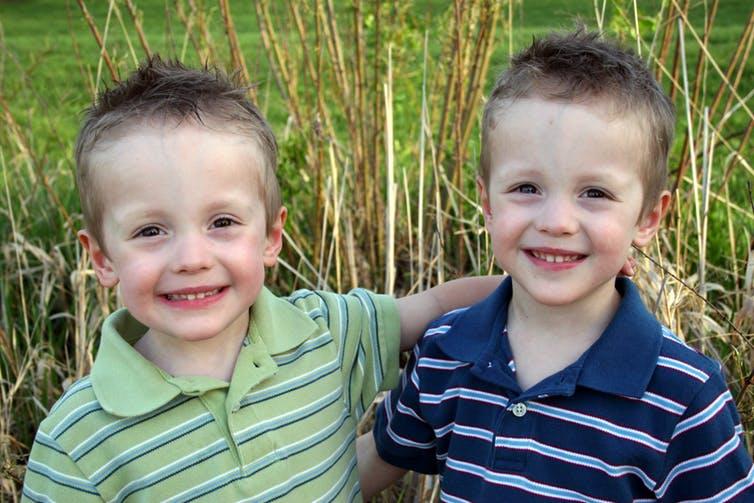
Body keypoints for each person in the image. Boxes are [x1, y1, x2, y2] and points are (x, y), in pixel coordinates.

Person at [20, 56, 503, 502]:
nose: (191, 258)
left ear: (271, 236)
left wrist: (562, 307)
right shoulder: (78, 442)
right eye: (150, 230)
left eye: (222, 223)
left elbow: (439, 305)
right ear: (102, 258)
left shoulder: (327, 332)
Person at [360, 30, 754, 501]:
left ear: (648, 217)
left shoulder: (683, 397)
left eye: (595, 194)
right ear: (486, 201)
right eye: (527, 188)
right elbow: (373, 462)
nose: (557, 222)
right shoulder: (448, 351)